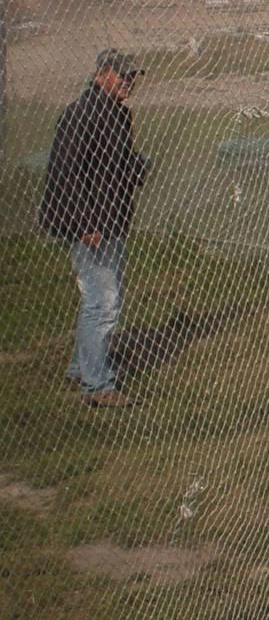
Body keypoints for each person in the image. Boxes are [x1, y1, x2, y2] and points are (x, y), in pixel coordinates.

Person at [39, 48, 148, 408]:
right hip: (93, 225)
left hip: (111, 219)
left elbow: (112, 162)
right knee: (103, 302)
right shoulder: (83, 114)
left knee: (104, 297)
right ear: (102, 74)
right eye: (122, 74)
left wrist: (136, 168)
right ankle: (97, 384)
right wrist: (82, 222)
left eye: (132, 76)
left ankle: (80, 366)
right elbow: (64, 172)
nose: (128, 81)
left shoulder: (117, 112)